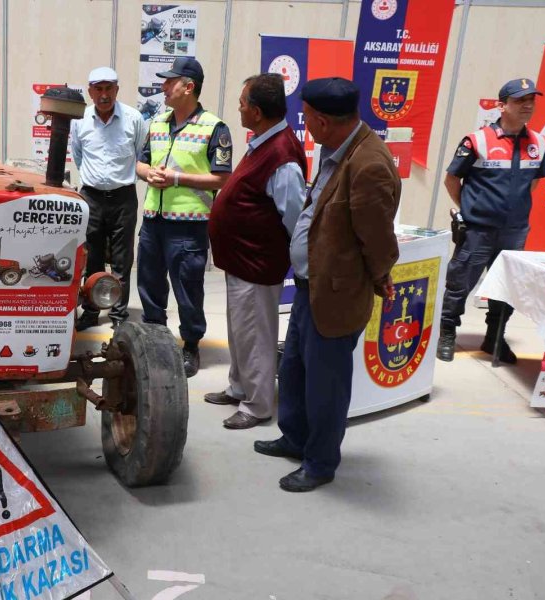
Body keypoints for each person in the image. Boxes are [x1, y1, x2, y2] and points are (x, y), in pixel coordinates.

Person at [254, 77, 400, 492]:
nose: (306, 124)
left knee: (326, 384)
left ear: (321, 119)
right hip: (309, 286)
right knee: (296, 368)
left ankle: (319, 462)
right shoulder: (337, 147)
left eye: (307, 117)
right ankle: (296, 438)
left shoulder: (368, 163)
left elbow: (378, 239)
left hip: (335, 293)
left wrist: (379, 276)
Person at [205, 73, 306, 429]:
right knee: (241, 331)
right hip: (242, 261)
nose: (239, 107)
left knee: (256, 335)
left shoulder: (282, 156)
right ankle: (239, 386)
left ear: (259, 111)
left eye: (243, 102)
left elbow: (295, 216)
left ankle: (258, 405)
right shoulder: (264, 141)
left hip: (258, 263)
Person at [436, 78, 545, 364]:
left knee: (506, 287)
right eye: (520, 100)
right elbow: (452, 178)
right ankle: (447, 333)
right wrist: (470, 209)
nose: (527, 106)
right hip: (477, 230)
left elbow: (532, 184)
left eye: (531, 100)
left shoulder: (539, 142)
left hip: (514, 232)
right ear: (502, 106)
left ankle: (494, 338)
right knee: (459, 284)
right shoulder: (477, 140)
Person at [135, 57, 232, 377]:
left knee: (188, 288)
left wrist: (176, 179)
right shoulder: (158, 123)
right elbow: (140, 164)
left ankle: (190, 345)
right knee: (149, 283)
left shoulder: (214, 128)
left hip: (189, 225)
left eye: (169, 81)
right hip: (153, 219)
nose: (163, 86)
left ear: (188, 86)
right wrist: (149, 174)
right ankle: (154, 339)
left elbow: (222, 178)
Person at [71, 67, 148, 331]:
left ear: (117, 89)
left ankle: (118, 314)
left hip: (123, 198)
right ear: (90, 91)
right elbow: (79, 157)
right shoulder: (79, 120)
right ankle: (91, 312)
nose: (104, 95)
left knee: (121, 259)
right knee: (91, 257)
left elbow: (140, 154)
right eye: (98, 89)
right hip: (91, 197)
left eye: (109, 88)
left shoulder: (134, 118)